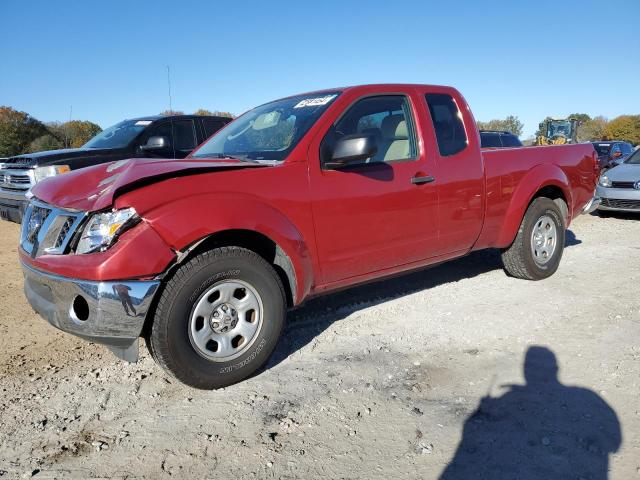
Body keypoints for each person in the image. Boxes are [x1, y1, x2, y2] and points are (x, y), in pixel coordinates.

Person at [440, 346, 621, 479]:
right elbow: (615, 443)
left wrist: (483, 409)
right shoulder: (586, 396)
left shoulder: (509, 398)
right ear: (556, 369)